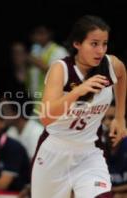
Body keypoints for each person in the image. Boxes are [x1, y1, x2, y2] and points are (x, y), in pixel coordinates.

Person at [31, 15, 126, 198]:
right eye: (94, 44)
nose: (100, 50)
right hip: (54, 152)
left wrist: (120, 117)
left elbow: (122, 76)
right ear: (77, 43)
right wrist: (77, 92)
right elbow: (46, 117)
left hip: (90, 151)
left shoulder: (110, 65)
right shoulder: (61, 69)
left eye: (104, 44)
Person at [102, 101, 127, 198]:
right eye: (103, 119)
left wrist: (112, 191)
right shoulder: (96, 146)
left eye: (112, 118)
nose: (107, 123)